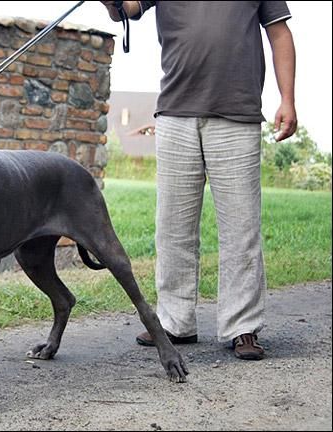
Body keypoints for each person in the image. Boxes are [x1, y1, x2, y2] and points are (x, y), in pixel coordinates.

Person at [101, 1, 297, 360]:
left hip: (238, 113)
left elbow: (279, 32)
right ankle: (174, 322)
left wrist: (287, 99)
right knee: (173, 227)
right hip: (176, 111)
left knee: (241, 227)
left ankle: (242, 326)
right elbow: (126, 9)